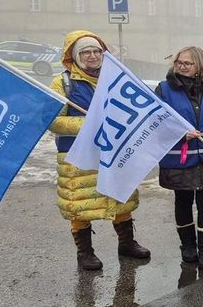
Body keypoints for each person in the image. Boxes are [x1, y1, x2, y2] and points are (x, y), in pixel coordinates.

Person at [49, 31, 150, 271]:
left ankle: (126, 243)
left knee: (119, 196)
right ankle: (85, 252)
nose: (93, 56)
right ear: (75, 56)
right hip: (77, 155)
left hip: (113, 151)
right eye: (86, 52)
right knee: (80, 204)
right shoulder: (63, 83)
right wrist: (91, 124)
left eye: (97, 51)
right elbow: (53, 121)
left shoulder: (115, 79)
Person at [155, 46, 203, 270]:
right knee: (183, 201)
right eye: (179, 62)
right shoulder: (164, 90)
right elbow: (155, 123)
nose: (182, 66)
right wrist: (178, 134)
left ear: (199, 67)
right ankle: (187, 246)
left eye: (187, 63)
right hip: (179, 160)